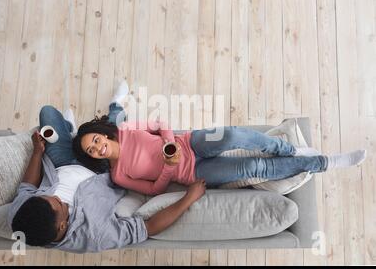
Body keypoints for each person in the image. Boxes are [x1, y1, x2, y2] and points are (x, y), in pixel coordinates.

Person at [9, 81, 206, 252]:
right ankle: (116, 105)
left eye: (46, 195)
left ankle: (71, 131)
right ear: (62, 226)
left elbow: (27, 186)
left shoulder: (22, 213)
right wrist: (189, 198)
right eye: (59, 203)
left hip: (60, 165)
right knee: (112, 132)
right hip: (99, 171)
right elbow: (150, 226)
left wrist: (37, 152)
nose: (56, 196)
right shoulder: (96, 235)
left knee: (48, 112)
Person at [73, 116, 367, 196]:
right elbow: (153, 189)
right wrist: (167, 168)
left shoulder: (126, 129)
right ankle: (324, 162)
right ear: (93, 157)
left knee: (234, 135)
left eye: (96, 139)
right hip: (191, 174)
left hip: (189, 143)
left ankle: (289, 149)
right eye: (92, 150)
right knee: (251, 167)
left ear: (102, 132)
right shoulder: (118, 175)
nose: (98, 147)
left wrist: (167, 144)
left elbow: (160, 123)